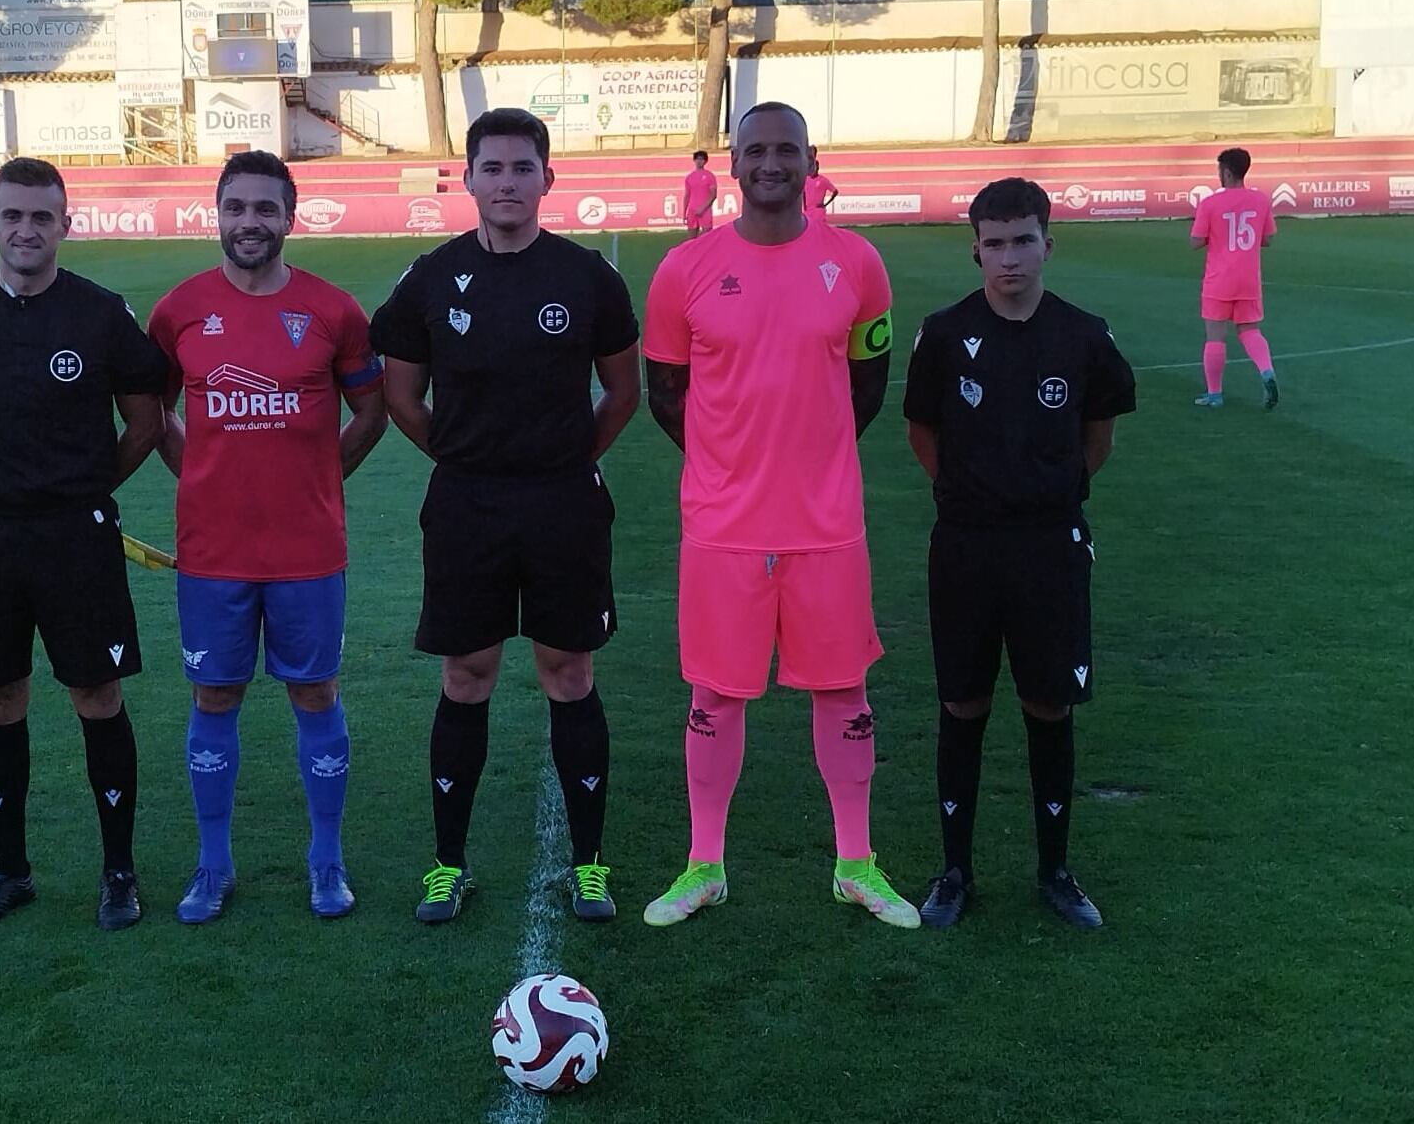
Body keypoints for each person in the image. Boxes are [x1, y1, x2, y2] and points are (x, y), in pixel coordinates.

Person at [640, 101, 918, 931]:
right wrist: (731, 463)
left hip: (826, 523)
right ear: (732, 163)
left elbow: (870, 377)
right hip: (723, 525)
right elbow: (664, 393)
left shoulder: (858, 262)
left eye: (785, 150)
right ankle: (703, 866)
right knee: (715, 694)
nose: (771, 163)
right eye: (755, 150)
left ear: (809, 160)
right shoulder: (681, 270)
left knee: (843, 688)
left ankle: (856, 864)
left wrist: (814, 454)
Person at [370, 107, 641, 925]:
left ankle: (590, 863)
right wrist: (463, 457)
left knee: (569, 671)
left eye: (523, 168)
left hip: (562, 501)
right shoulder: (430, 276)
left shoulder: (587, 276)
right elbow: (399, 395)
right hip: (466, 503)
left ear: (547, 179)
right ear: (469, 178)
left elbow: (621, 392)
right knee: (467, 673)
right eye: (492, 168)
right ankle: (447, 864)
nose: (508, 182)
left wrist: (562, 460)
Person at [0, 156, 170, 934]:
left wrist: (85, 488)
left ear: (65, 223)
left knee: (97, 694)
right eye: (12, 216)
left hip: (76, 538)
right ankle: (9, 872)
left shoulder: (98, 314)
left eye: (41, 217)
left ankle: (118, 871)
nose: (27, 230)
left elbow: (147, 419)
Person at [146, 151, 388, 924]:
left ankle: (327, 860)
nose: (249, 221)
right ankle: (213, 866)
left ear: (291, 215)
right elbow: (151, 410)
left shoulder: (334, 311)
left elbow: (371, 412)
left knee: (314, 691)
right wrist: (200, 475)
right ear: (215, 214)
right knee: (212, 693)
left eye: (264, 208)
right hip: (213, 551)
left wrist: (319, 475)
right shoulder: (178, 310)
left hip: (307, 550)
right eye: (236, 207)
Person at [903, 177, 1136, 929]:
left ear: (1047, 243)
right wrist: (974, 495)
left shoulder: (1083, 335)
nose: (1009, 258)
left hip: (1050, 545)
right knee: (962, 701)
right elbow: (922, 433)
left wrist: (1050, 490)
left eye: (1023, 240)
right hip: (966, 546)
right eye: (994, 243)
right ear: (975, 248)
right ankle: (953, 871)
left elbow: (1095, 434)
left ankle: (1056, 871)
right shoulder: (942, 334)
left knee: (1048, 700)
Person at [1190, 147, 1278, 410]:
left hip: (1219, 280)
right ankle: (1267, 372)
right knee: (1249, 330)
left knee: (1215, 336)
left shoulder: (1210, 203)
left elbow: (1195, 242)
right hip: (1249, 279)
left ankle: (1215, 395)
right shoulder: (1260, 200)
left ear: (1226, 172)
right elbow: (1268, 238)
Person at [683, 150, 718, 238]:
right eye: (697, 159)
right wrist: (684, 213)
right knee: (691, 240)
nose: (699, 161)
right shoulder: (689, 177)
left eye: (701, 159)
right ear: (694, 161)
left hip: (705, 211)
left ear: (705, 161)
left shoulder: (710, 176)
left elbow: (713, 195)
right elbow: (687, 195)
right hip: (692, 210)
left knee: (707, 238)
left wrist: (703, 208)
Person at [803, 155, 841, 224]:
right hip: (808, 211)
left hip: (818, 210)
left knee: (819, 229)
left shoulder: (823, 180)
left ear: (818, 167)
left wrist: (825, 204)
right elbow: (803, 193)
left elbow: (835, 191)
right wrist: (805, 206)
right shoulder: (806, 179)